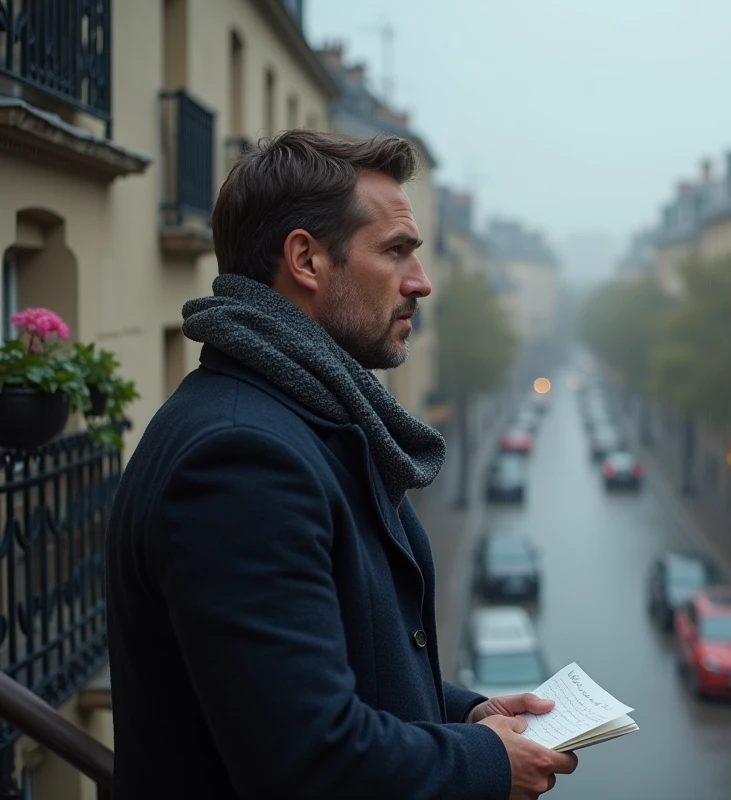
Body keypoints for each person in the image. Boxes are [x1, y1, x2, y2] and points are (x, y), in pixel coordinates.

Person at [105, 130, 579, 799]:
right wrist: (486, 763)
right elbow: (312, 761)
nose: (422, 281)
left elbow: (326, 664)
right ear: (306, 260)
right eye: (395, 252)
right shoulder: (241, 461)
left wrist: (467, 714)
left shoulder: (295, 418)